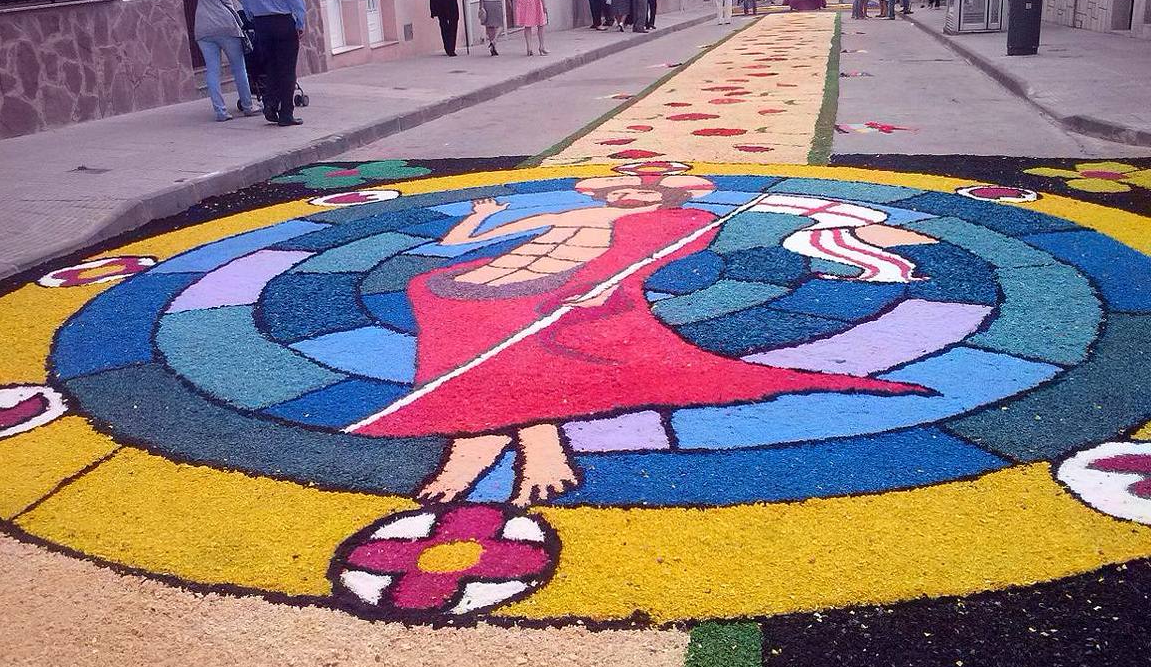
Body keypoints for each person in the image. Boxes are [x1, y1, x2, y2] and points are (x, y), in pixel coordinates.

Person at [349, 169, 929, 506]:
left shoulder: (681, 222)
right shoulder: (558, 217)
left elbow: (650, 258)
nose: (634, 198)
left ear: (665, 200)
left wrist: (601, 290)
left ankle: (497, 460)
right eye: (625, 193)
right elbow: (455, 247)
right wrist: (481, 213)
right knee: (481, 367)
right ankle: (533, 456)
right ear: (604, 194)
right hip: (460, 290)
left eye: (647, 196)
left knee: (525, 366)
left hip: (561, 291)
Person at [239, 0, 307, 126]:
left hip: (261, 23)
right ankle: (286, 113)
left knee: (270, 66)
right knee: (287, 68)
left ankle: (270, 102)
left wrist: (252, 17)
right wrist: (300, 19)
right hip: (282, 21)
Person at [191, 0, 259, 122]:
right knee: (238, 68)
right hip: (227, 26)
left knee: (212, 71)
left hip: (203, 28)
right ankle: (248, 105)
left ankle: (220, 111)